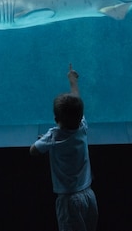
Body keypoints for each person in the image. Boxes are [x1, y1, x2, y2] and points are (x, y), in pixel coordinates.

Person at [30, 64, 98, 231]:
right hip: (89, 195)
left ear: (55, 119)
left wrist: (47, 141)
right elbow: (77, 100)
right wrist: (73, 80)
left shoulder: (54, 136)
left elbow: (33, 151)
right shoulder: (82, 127)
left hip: (69, 200)